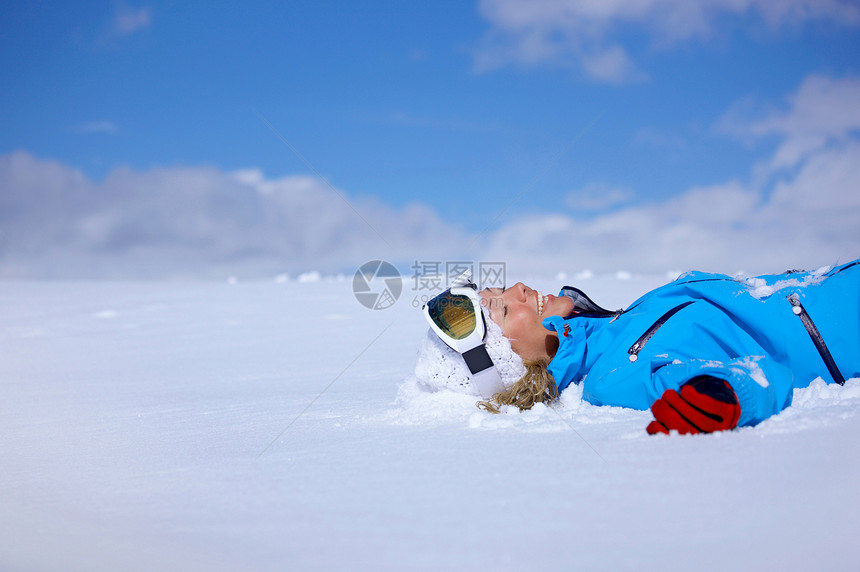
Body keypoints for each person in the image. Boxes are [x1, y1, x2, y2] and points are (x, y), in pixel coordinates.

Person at [414, 259, 860, 435]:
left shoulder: (610, 329)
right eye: (505, 310)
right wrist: (722, 396)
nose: (519, 288)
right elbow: (756, 375)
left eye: (499, 289)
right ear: (524, 366)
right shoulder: (611, 377)